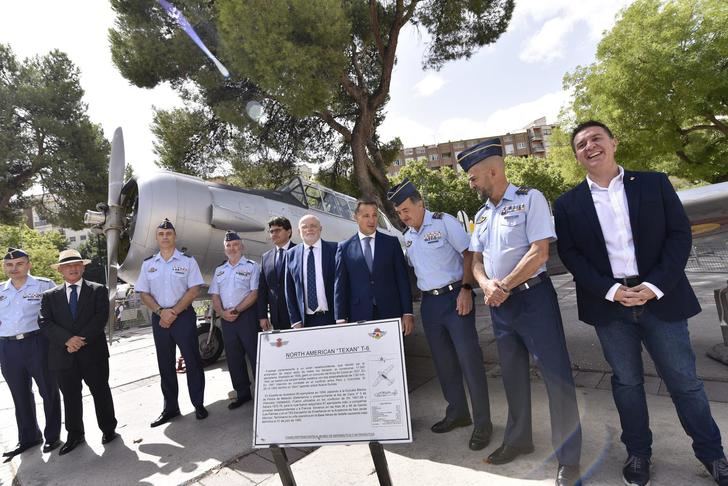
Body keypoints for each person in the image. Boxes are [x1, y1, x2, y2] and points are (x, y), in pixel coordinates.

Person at [554, 120, 728, 486]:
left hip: (660, 298)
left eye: (596, 138)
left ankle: (713, 455)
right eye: (581, 144)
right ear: (577, 156)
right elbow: (571, 254)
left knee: (686, 382)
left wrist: (652, 285)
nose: (590, 146)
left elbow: (679, 236)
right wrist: (612, 291)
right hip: (609, 306)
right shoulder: (568, 204)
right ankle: (638, 453)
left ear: (613, 143)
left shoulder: (654, 183)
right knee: (627, 384)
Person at [461, 138, 582, 486]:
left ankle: (568, 459)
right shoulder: (482, 215)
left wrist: (504, 286)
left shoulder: (531, 199)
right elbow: (477, 260)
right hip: (500, 305)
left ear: (492, 171)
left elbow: (539, 253)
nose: (470, 183)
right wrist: (484, 285)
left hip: (533, 300)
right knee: (512, 376)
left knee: (556, 377)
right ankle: (518, 440)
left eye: (473, 176)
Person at [387, 181, 492, 451]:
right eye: (399, 212)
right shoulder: (408, 236)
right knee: (444, 363)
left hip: (455, 296)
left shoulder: (443, 222)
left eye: (406, 209)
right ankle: (457, 412)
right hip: (430, 305)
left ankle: (483, 423)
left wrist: (467, 288)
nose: (403, 216)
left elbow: (469, 254)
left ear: (420, 203)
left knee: (469, 361)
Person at [38, 249, 118, 456]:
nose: (72, 268)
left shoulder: (98, 290)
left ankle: (108, 429)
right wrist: (67, 340)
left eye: (76, 265)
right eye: (67, 266)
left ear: (83, 267)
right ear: (61, 271)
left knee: (101, 391)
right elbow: (45, 322)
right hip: (63, 356)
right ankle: (75, 435)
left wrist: (79, 340)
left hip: (93, 354)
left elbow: (100, 318)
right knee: (71, 397)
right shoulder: (49, 296)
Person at [135, 218, 207, 427]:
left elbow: (194, 289)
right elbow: (143, 293)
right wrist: (160, 312)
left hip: (182, 317)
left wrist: (173, 312)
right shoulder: (149, 264)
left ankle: (199, 404)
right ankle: (170, 408)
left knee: (193, 362)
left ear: (174, 237)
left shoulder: (187, 261)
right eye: (161, 234)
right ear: (157, 238)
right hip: (160, 319)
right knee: (165, 365)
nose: (165, 237)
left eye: (168, 234)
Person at [0, 248, 61, 458]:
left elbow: (58, 315)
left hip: (37, 343)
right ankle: (28, 437)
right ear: (4, 266)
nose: (14, 268)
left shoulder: (44, 285)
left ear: (28, 264)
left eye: (19, 263)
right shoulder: (0, 290)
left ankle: (52, 436)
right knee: (19, 394)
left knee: (48, 390)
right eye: (9, 265)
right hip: (8, 348)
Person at [334, 198, 413, 333]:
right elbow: (340, 285)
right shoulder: (344, 248)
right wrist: (340, 318)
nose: (371, 220)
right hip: (359, 315)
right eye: (366, 216)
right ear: (355, 217)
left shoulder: (392, 243)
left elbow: (403, 280)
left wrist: (408, 313)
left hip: (391, 312)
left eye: (374, 215)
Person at [209, 231, 260, 409]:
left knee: (255, 356)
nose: (232, 248)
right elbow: (214, 295)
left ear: (242, 246)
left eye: (235, 244)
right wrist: (222, 313)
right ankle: (243, 393)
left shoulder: (252, 266)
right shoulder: (220, 270)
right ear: (225, 249)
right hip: (227, 319)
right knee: (234, 357)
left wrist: (237, 309)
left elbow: (254, 293)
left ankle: (263, 394)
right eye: (228, 245)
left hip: (246, 316)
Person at [284, 214, 336, 327]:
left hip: (332, 318)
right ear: (299, 231)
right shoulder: (290, 255)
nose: (309, 229)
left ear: (320, 228)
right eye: (304, 227)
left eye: (313, 226)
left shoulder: (335, 250)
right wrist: (295, 321)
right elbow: (289, 290)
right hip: (305, 321)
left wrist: (342, 316)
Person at [258, 217, 296, 330]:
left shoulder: (300, 251)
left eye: (278, 230)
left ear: (289, 231)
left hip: (298, 315)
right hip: (277, 317)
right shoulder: (266, 257)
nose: (274, 234)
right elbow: (263, 289)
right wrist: (262, 316)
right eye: (271, 231)